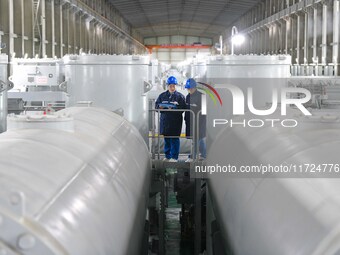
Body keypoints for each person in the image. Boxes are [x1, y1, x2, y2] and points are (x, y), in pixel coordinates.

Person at [155, 76, 186, 162]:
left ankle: (174, 157)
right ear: (167, 86)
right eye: (170, 86)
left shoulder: (180, 97)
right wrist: (161, 107)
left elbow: (183, 108)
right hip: (165, 121)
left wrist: (174, 109)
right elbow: (156, 106)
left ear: (176, 86)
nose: (172, 88)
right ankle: (167, 156)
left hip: (175, 121)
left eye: (174, 86)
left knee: (175, 139)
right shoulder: (162, 96)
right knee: (167, 139)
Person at [184, 78, 206, 161]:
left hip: (200, 122)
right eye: (188, 88)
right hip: (190, 122)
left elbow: (204, 112)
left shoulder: (202, 96)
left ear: (195, 87)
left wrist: (202, 124)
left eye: (191, 88)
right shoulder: (188, 97)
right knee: (197, 139)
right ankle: (204, 154)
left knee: (197, 138)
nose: (189, 90)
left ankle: (193, 156)